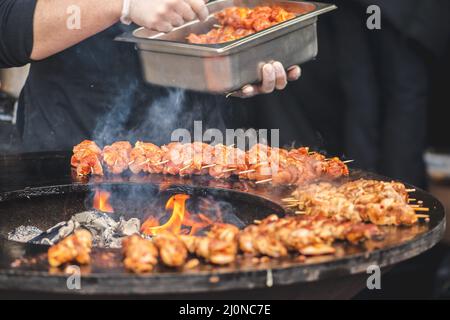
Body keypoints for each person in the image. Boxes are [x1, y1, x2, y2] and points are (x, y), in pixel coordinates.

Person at [0, 0, 301, 151]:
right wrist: (123, 4)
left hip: (198, 163)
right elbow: (7, 27)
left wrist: (238, 66)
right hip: (73, 158)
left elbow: (220, 22)